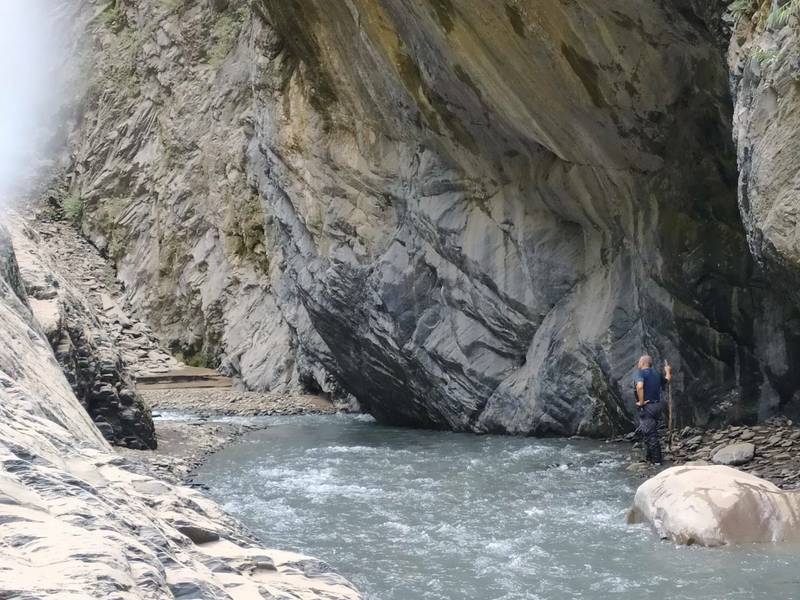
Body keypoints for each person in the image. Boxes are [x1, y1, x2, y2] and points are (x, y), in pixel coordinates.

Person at [633, 355, 672, 465]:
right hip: (657, 406)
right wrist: (668, 371)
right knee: (648, 431)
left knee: (651, 434)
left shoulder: (640, 373)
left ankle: (657, 462)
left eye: (639, 362)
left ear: (643, 363)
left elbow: (640, 386)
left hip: (647, 406)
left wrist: (641, 402)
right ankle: (649, 457)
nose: (638, 364)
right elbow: (667, 380)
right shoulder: (657, 374)